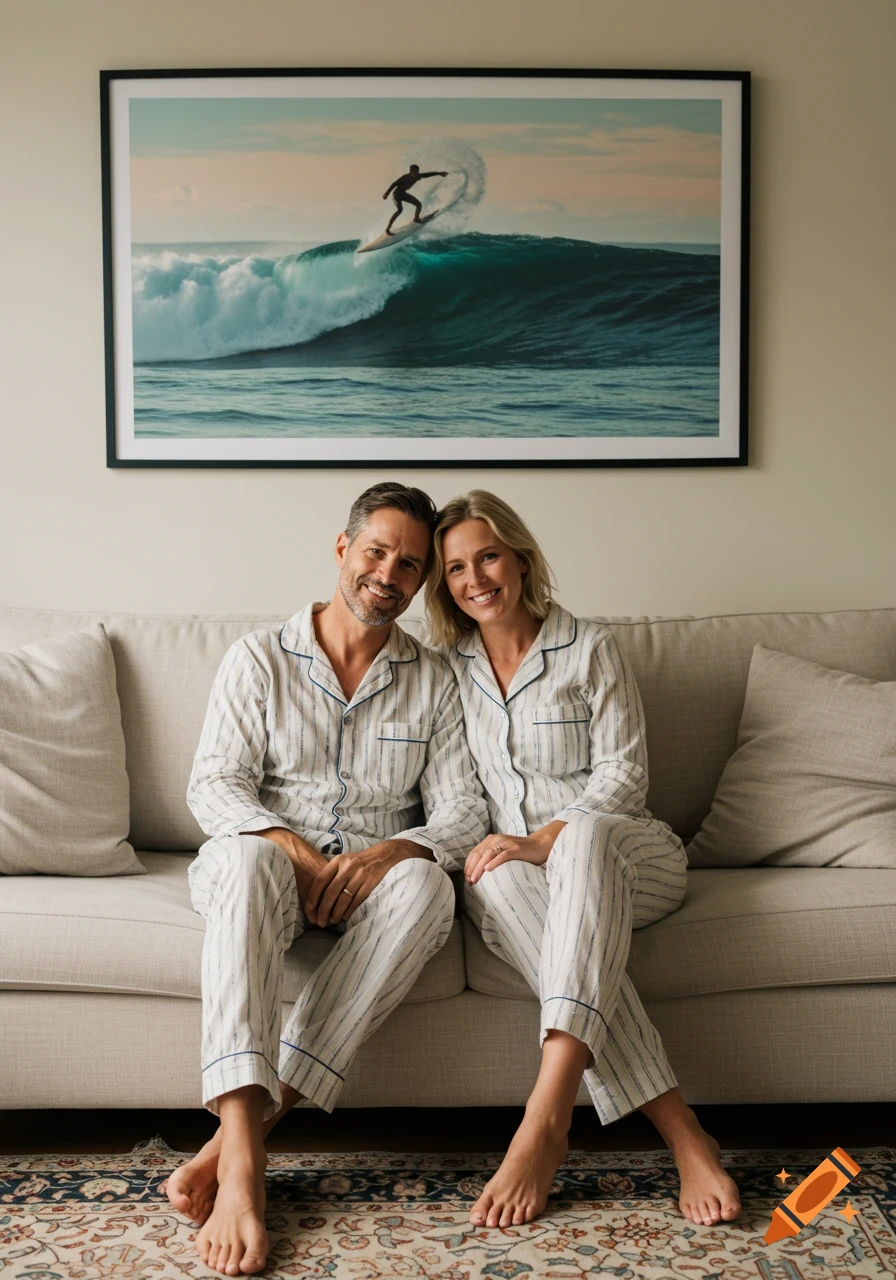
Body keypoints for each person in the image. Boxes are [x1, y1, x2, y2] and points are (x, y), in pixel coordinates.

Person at [164, 482, 489, 1278]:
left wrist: (387, 854)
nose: (388, 575)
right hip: (269, 869)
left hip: (371, 882)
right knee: (246, 857)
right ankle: (245, 1167)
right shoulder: (258, 658)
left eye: (410, 565)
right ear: (343, 549)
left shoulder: (435, 678)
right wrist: (293, 849)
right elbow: (214, 787)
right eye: (376, 552)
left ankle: (239, 1137)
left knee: (429, 887)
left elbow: (463, 813)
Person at [425, 490, 742, 1232]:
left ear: (520, 558)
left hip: (626, 855)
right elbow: (460, 796)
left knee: (586, 837)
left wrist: (547, 837)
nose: (476, 578)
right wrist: (492, 848)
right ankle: (684, 1134)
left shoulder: (590, 647)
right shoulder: (446, 672)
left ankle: (545, 1119)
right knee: (496, 874)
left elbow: (624, 776)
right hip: (519, 877)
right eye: (457, 568)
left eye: (488, 557)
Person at [382, 162, 447, 234]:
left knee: (418, 204)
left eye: (418, 171)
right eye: (416, 171)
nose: (418, 173)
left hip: (403, 194)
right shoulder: (405, 177)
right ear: (411, 171)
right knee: (400, 210)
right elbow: (394, 184)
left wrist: (439, 173)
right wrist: (386, 194)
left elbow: (428, 174)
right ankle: (388, 229)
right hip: (396, 194)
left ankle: (416, 218)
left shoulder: (417, 176)